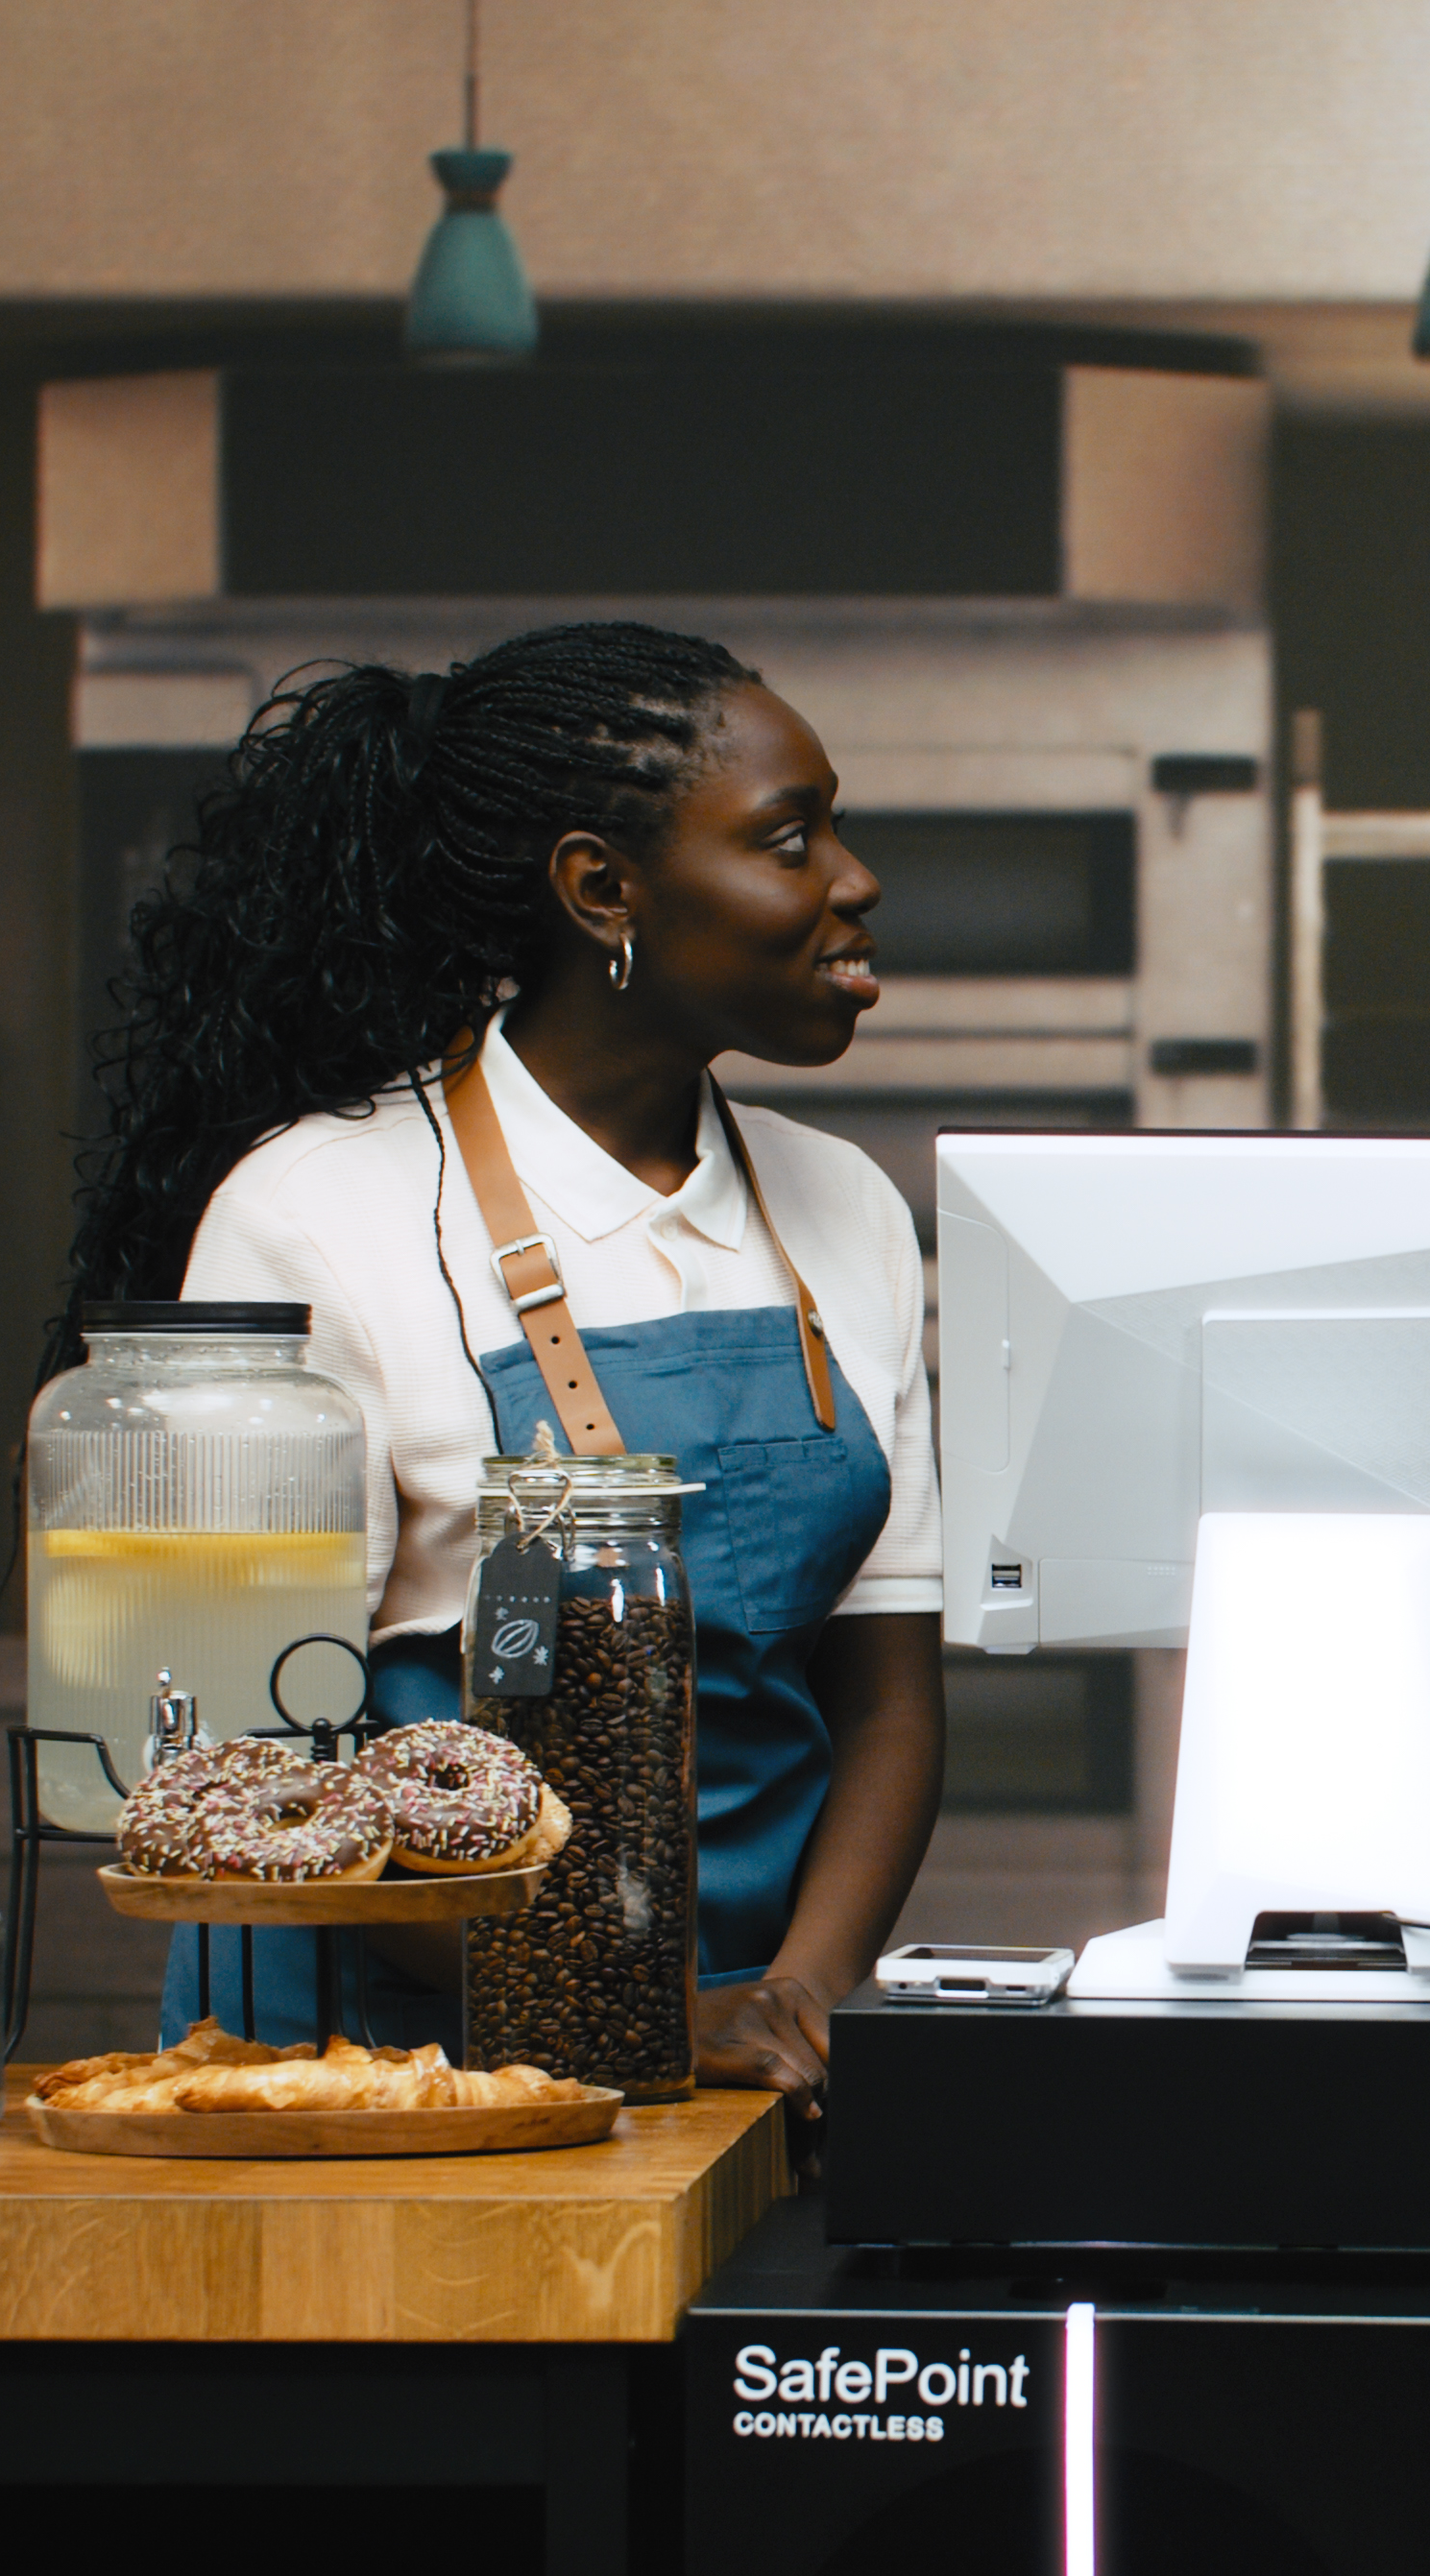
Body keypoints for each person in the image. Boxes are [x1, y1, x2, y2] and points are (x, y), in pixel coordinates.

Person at [51, 626, 944, 2095]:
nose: (854, 880)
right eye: (792, 838)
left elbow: (890, 1699)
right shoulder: (317, 1213)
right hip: (383, 2054)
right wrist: (627, 2010)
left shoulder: (842, 1207)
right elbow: (253, 1771)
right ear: (603, 888)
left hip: (750, 2054)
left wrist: (804, 1996)